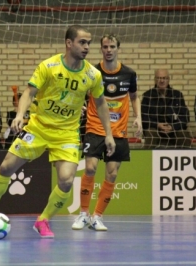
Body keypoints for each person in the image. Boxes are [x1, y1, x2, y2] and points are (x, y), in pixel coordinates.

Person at [0, 24, 116, 238]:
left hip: (66, 133)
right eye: (82, 42)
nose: (87, 47)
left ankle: (43, 220)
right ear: (69, 43)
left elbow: (100, 103)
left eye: (89, 43)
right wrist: (19, 115)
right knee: (7, 167)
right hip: (38, 127)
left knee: (65, 180)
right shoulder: (49, 66)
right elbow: (29, 92)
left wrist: (108, 134)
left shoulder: (92, 74)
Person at [71, 34, 142, 231]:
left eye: (112, 46)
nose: (108, 50)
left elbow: (134, 97)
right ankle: (83, 214)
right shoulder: (92, 72)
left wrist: (138, 116)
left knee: (111, 174)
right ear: (101, 49)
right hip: (95, 127)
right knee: (91, 168)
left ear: (118, 48)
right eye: (105, 47)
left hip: (119, 131)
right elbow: (81, 94)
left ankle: (97, 217)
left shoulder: (129, 74)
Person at [141, 69, 191, 149]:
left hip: (174, 129)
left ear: (168, 79)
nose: (161, 81)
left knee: (184, 135)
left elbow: (185, 117)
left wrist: (173, 127)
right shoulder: (148, 96)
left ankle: (183, 159)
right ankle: (146, 160)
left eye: (164, 78)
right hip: (155, 128)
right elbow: (144, 118)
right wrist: (157, 125)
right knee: (151, 134)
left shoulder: (177, 95)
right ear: (155, 80)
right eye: (159, 78)